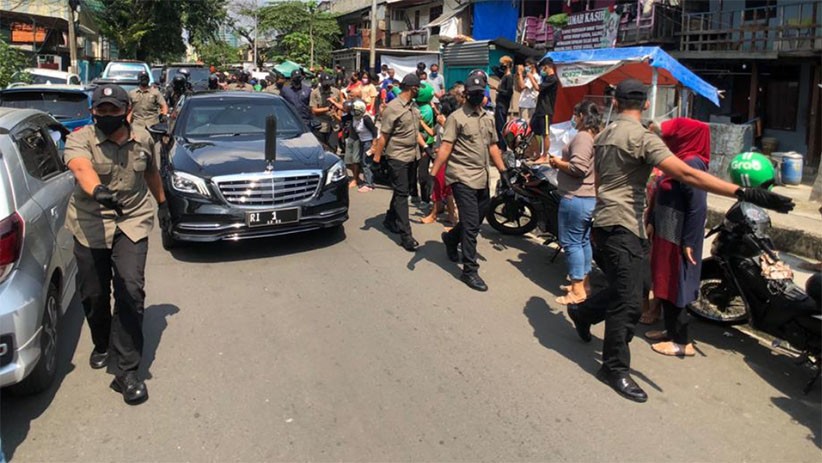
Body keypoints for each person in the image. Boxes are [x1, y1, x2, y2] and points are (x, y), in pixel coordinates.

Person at [566, 79, 794, 403]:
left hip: (607, 222)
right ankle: (613, 367)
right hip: (622, 227)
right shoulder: (641, 138)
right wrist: (745, 192)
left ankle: (584, 313)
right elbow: (687, 174)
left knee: (627, 288)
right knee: (629, 303)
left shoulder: (602, 136)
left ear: (615, 103)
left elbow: (602, 182)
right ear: (646, 104)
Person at [64, 84, 170, 405]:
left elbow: (151, 173)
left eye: (114, 110)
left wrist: (163, 205)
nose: (108, 115)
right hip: (91, 222)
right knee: (94, 294)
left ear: (128, 111)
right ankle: (102, 341)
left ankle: (126, 370)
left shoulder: (143, 138)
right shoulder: (80, 138)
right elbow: (80, 166)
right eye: (102, 110)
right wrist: (98, 191)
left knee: (131, 289)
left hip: (132, 220)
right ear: (93, 112)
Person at [431, 70, 511, 292]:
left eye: (480, 93)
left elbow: (493, 146)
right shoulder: (456, 118)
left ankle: (451, 239)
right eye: (473, 93)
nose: (477, 96)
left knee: (476, 218)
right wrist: (434, 174)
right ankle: (469, 270)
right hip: (461, 176)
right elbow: (446, 147)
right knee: (471, 224)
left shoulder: (488, 118)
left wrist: (503, 172)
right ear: (466, 94)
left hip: (481, 177)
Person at [645, 118, 712, 357]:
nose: (667, 141)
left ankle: (682, 342)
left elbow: (698, 207)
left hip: (679, 237)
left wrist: (690, 242)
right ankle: (670, 331)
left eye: (672, 137)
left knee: (677, 285)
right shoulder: (678, 160)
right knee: (665, 282)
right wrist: (652, 221)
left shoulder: (692, 163)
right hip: (666, 232)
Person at [549, 100, 600, 304]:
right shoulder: (594, 136)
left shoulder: (583, 137)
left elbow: (578, 168)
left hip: (576, 197)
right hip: (587, 197)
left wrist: (557, 163)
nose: (573, 119)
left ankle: (577, 290)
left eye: (575, 115)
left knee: (571, 243)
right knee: (582, 241)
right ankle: (583, 284)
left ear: (581, 116)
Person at [371, 74, 427, 252]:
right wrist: (376, 159)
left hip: (412, 155)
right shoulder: (393, 108)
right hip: (397, 156)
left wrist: (425, 147)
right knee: (402, 194)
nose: (419, 91)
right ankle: (406, 236)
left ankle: (390, 219)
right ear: (413, 88)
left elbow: (415, 131)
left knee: (401, 190)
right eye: (418, 88)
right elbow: (383, 136)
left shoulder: (413, 106)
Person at [421, 92, 458, 227]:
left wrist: (443, 124)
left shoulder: (452, 121)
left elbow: (453, 140)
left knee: (442, 188)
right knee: (441, 187)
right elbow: (432, 132)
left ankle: (438, 215)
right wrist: (420, 122)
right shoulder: (441, 119)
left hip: (446, 159)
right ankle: (448, 215)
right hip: (439, 158)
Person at [529, 57, 558, 162]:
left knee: (545, 134)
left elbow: (538, 88)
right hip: (539, 109)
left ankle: (544, 155)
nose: (542, 70)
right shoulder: (546, 78)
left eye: (543, 68)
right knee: (531, 130)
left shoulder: (553, 79)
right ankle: (537, 153)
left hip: (546, 110)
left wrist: (531, 77)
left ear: (547, 67)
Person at [310, 73, 342, 153]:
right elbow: (314, 110)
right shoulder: (315, 93)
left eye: (328, 83)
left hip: (333, 125)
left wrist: (335, 109)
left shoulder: (337, 92)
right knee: (320, 149)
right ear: (320, 82)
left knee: (332, 149)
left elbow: (341, 107)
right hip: (321, 125)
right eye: (325, 83)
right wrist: (327, 109)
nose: (327, 85)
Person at [493, 56, 515, 151]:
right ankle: (500, 146)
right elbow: (494, 68)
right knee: (498, 125)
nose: (501, 66)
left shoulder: (509, 77)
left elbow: (509, 92)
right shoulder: (504, 76)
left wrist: (497, 89)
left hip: (503, 104)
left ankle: (502, 147)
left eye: (503, 64)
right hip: (499, 103)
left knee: (501, 126)